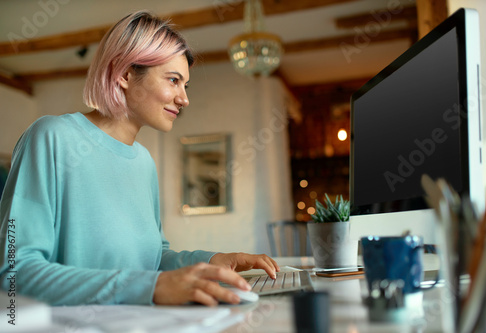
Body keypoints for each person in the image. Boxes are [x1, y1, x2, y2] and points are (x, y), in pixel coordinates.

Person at [0, 11, 279, 306]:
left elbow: (152, 259)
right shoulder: (50, 138)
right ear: (124, 74)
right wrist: (146, 286)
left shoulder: (144, 162)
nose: (184, 98)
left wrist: (212, 262)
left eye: (185, 85)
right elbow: (15, 273)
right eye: (173, 80)